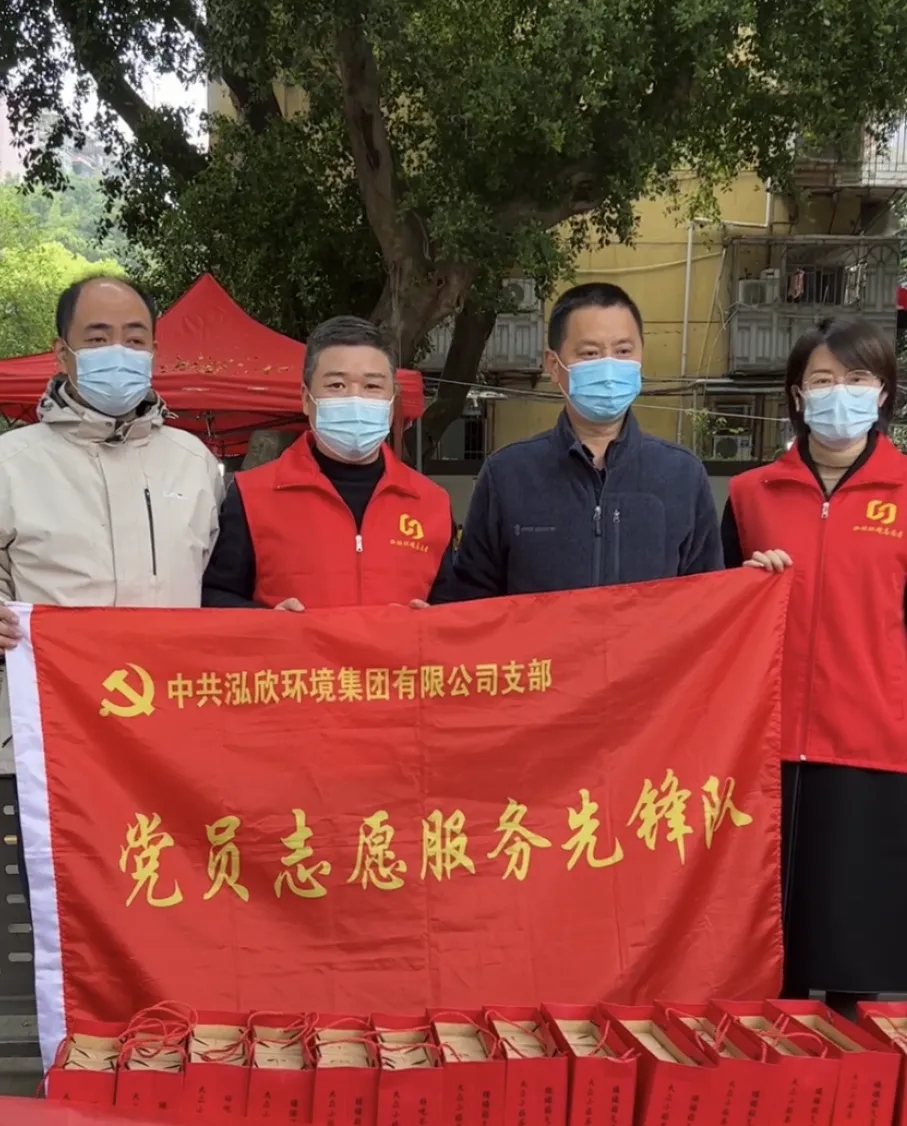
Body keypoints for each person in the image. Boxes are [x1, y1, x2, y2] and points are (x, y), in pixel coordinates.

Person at [0, 275, 224, 894]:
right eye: (98, 338)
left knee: (170, 905)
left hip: (175, 747)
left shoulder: (195, 464)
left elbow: (223, 589)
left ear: (154, 351)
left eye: (134, 337)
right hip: (48, 747)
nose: (118, 352)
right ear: (62, 352)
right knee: (62, 917)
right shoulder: (12, 464)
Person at [722, 316, 907, 1018]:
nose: (839, 394)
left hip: (871, 746)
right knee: (772, 946)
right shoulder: (751, 494)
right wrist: (747, 583)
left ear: (882, 391)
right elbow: (713, 612)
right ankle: (776, 1070)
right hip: (764, 750)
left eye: (856, 379)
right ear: (797, 396)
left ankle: (855, 1073)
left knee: (856, 947)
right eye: (821, 380)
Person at [452, 283, 722, 597]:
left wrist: (761, 580)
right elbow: (471, 601)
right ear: (554, 365)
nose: (609, 368)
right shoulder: (507, 475)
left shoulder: (683, 476)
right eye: (590, 354)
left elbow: (710, 599)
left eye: (623, 351)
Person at [202, 315, 456, 610]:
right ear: (306, 398)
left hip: (401, 645)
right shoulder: (252, 496)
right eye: (336, 385)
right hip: (289, 644)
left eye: (372, 386)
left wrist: (432, 623)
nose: (355, 398)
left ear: (392, 399)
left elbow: (454, 606)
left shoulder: (431, 503)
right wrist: (269, 622)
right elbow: (215, 596)